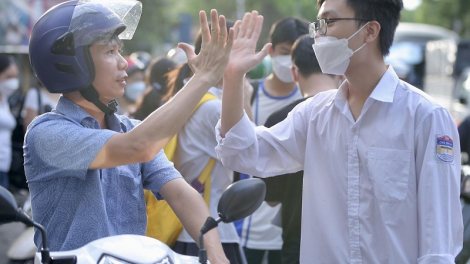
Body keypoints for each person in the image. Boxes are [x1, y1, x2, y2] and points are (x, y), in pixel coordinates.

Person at [215, 1, 463, 263]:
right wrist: (233, 76)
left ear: (370, 31)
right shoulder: (314, 115)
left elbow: (438, 242)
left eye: (329, 22)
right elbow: (240, 152)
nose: (318, 35)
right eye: (317, 25)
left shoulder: (425, 117)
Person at [25, 1, 251, 263]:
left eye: (119, 50)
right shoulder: (47, 133)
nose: (124, 63)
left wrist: (217, 256)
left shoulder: (129, 128)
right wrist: (203, 78)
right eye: (110, 51)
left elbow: (180, 193)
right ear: (72, 63)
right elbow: (139, 146)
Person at [168, 20, 253, 264]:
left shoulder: (188, 98)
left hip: (186, 231)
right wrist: (243, 93)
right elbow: (251, 154)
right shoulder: (213, 108)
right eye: (234, 53)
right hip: (211, 232)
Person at [262, 34, 339, 264]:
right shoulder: (356, 116)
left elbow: (272, 199)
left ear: (295, 72)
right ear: (339, 69)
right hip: (353, 245)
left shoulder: (279, 119)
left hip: (298, 245)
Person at [237, 16, 308, 264]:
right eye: (284, 52)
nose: (289, 61)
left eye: (296, 53)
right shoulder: (249, 93)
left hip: (293, 231)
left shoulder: (311, 105)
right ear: (271, 49)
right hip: (248, 229)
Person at [0, 54, 18, 189]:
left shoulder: (5, 101)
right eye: (9, 76)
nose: (13, 82)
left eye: (15, 76)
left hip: (4, 165)